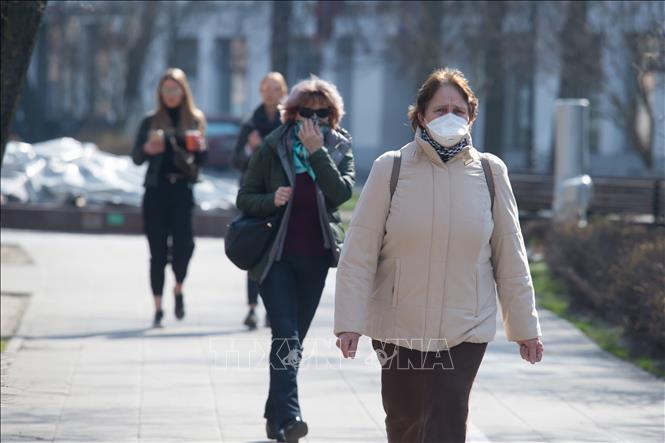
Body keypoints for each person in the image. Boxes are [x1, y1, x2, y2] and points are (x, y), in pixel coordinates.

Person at [334, 68, 544, 443]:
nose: (450, 117)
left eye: (459, 110)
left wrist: (526, 328)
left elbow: (511, 256)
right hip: (399, 328)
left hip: (465, 329)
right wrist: (348, 322)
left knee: (448, 423)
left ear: (471, 116)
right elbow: (358, 253)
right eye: (440, 109)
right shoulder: (390, 169)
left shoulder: (491, 173)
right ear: (421, 116)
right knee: (406, 423)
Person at [236, 75, 355, 442]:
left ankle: (275, 415)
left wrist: (317, 152)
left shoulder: (339, 148)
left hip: (316, 259)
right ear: (291, 113)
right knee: (285, 336)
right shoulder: (273, 145)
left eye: (322, 112)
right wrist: (270, 200)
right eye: (306, 111)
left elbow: (341, 194)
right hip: (277, 258)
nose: (313, 118)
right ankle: (290, 418)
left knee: (293, 342)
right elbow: (245, 197)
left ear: (332, 115)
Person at [132, 67, 207, 328]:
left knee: (185, 247)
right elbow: (136, 158)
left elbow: (201, 162)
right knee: (157, 253)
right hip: (155, 192)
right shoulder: (150, 121)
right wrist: (147, 148)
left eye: (175, 89)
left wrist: (199, 148)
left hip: (182, 192)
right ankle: (157, 308)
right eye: (166, 90)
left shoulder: (195, 120)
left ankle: (178, 287)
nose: (171, 95)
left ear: (183, 91)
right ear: (160, 93)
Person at [233, 72, 288, 330]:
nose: (270, 92)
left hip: (281, 197)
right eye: (266, 88)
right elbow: (237, 161)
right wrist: (250, 148)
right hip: (255, 196)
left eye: (275, 88)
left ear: (284, 92)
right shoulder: (250, 124)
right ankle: (252, 308)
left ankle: (271, 308)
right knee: (254, 251)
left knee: (277, 254)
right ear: (259, 91)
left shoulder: (288, 121)